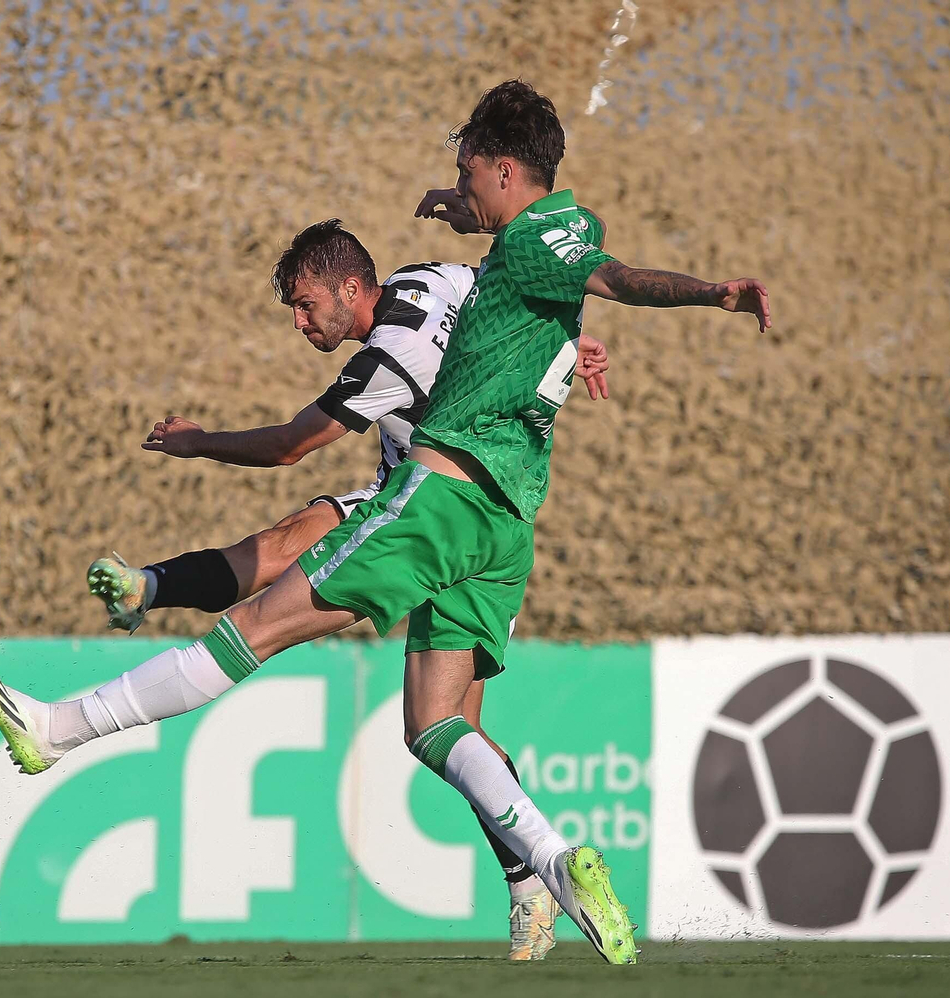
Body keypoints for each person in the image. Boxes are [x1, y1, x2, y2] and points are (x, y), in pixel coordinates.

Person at [0, 80, 770, 966]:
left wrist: (713, 294)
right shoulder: (485, 261)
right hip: (508, 524)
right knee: (434, 725)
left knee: (256, 622)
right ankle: (548, 864)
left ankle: (56, 730)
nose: (458, 181)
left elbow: (607, 278)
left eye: (469, 169)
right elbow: (527, 288)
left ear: (506, 169)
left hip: (439, 495)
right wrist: (553, 325)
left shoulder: (490, 281)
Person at [84, 218, 610, 959]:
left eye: (305, 305)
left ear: (352, 287)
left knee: (444, 726)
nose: (300, 323)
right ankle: (148, 584)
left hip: (434, 515)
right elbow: (509, 313)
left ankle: (532, 881)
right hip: (448, 502)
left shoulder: (384, 359)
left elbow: (289, 446)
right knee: (285, 550)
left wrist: (199, 441)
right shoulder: (439, 278)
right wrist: (565, 353)